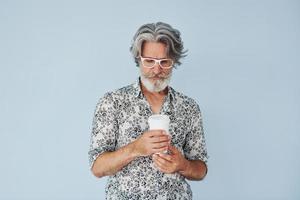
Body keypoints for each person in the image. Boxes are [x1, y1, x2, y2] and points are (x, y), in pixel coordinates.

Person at [88, 22, 208, 200]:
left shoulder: (188, 107)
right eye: (149, 61)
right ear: (139, 59)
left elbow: (201, 169)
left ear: (173, 62)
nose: (157, 70)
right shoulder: (113, 102)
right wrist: (135, 148)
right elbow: (97, 167)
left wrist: (183, 165)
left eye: (164, 62)